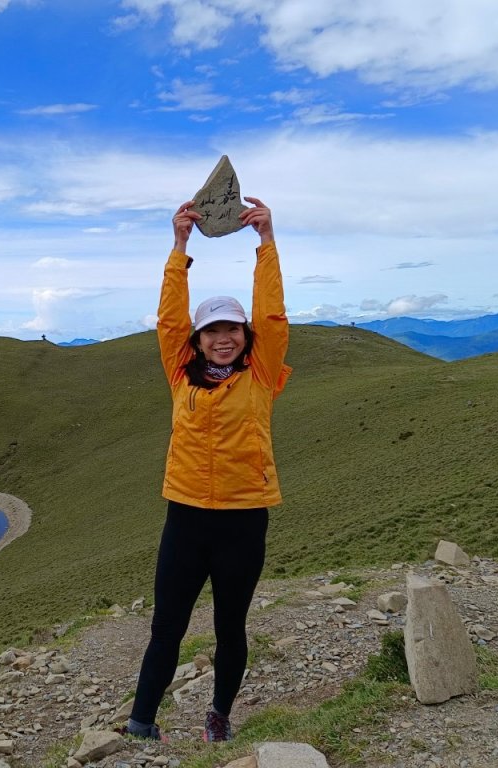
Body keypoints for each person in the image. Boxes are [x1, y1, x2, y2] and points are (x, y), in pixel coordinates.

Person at [121, 197, 292, 743]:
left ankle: (218, 718)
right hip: (187, 517)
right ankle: (141, 723)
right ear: (197, 340)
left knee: (229, 626)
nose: (224, 337)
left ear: (246, 337)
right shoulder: (180, 373)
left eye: (233, 330)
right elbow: (169, 317)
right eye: (212, 331)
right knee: (166, 626)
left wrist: (266, 243)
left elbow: (272, 314)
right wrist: (179, 247)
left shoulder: (261, 374)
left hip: (244, 518)